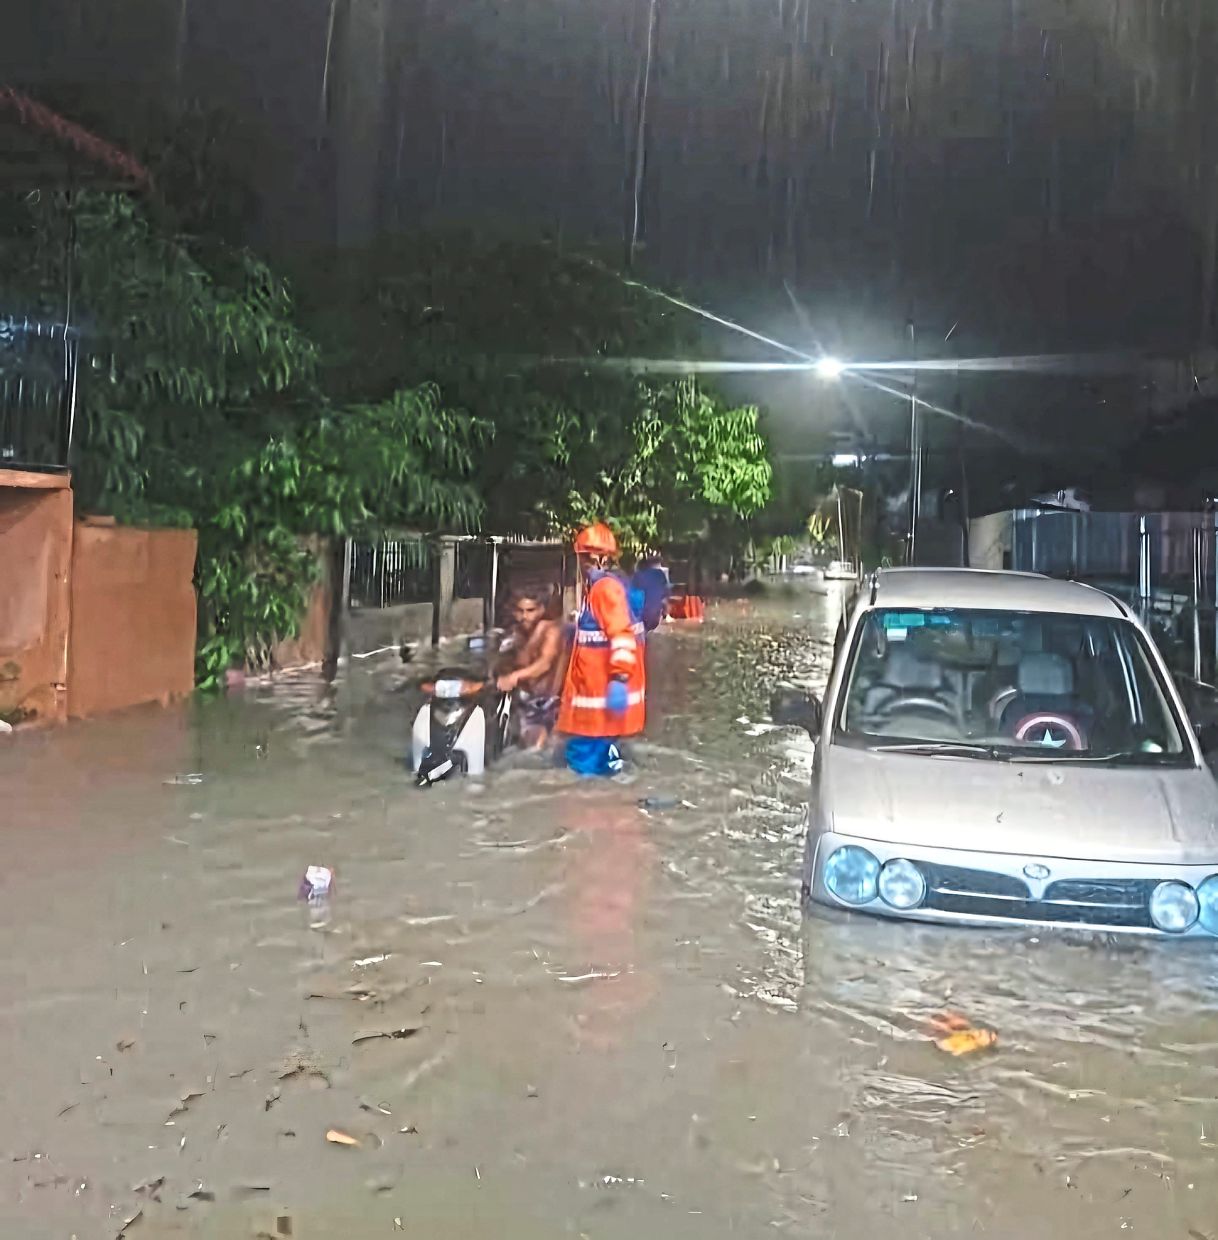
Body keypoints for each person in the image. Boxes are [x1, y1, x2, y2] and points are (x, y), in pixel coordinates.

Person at [558, 522, 647, 775]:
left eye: (584, 558)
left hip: (600, 700)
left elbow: (621, 635)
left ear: (594, 559)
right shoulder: (607, 587)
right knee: (603, 762)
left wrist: (619, 678)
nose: (581, 564)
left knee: (582, 764)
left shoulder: (604, 589)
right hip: (602, 700)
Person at [496, 587, 565, 747]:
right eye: (520, 611)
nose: (524, 616)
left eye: (530, 611)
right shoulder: (517, 633)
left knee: (535, 750)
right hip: (523, 702)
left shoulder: (551, 630)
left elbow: (544, 664)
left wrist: (514, 677)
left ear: (541, 609)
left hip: (548, 705)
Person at [631, 551, 670, 632]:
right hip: (656, 615)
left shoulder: (637, 576)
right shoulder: (660, 574)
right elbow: (665, 598)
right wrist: (665, 614)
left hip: (642, 617)